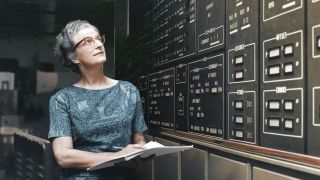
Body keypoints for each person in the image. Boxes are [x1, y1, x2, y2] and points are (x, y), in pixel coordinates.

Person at [48, 20, 148, 179]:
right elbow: (63, 156)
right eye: (88, 41)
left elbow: (139, 139)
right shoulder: (62, 99)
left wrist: (143, 152)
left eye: (98, 38)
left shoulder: (128, 90)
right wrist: (117, 156)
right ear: (73, 57)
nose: (98, 44)